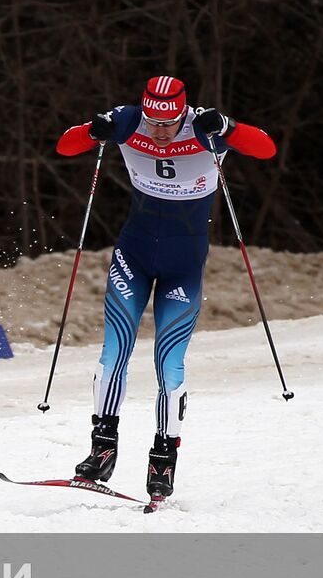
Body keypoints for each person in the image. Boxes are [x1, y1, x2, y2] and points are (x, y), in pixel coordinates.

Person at [55, 75, 276, 503]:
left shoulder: (206, 128)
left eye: (168, 122)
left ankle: (163, 458)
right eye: (152, 121)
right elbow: (65, 146)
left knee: (168, 364)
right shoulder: (126, 121)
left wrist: (228, 128)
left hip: (183, 265)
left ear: (183, 113)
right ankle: (103, 448)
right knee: (113, 351)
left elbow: (266, 147)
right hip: (133, 256)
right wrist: (91, 131)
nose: (158, 131)